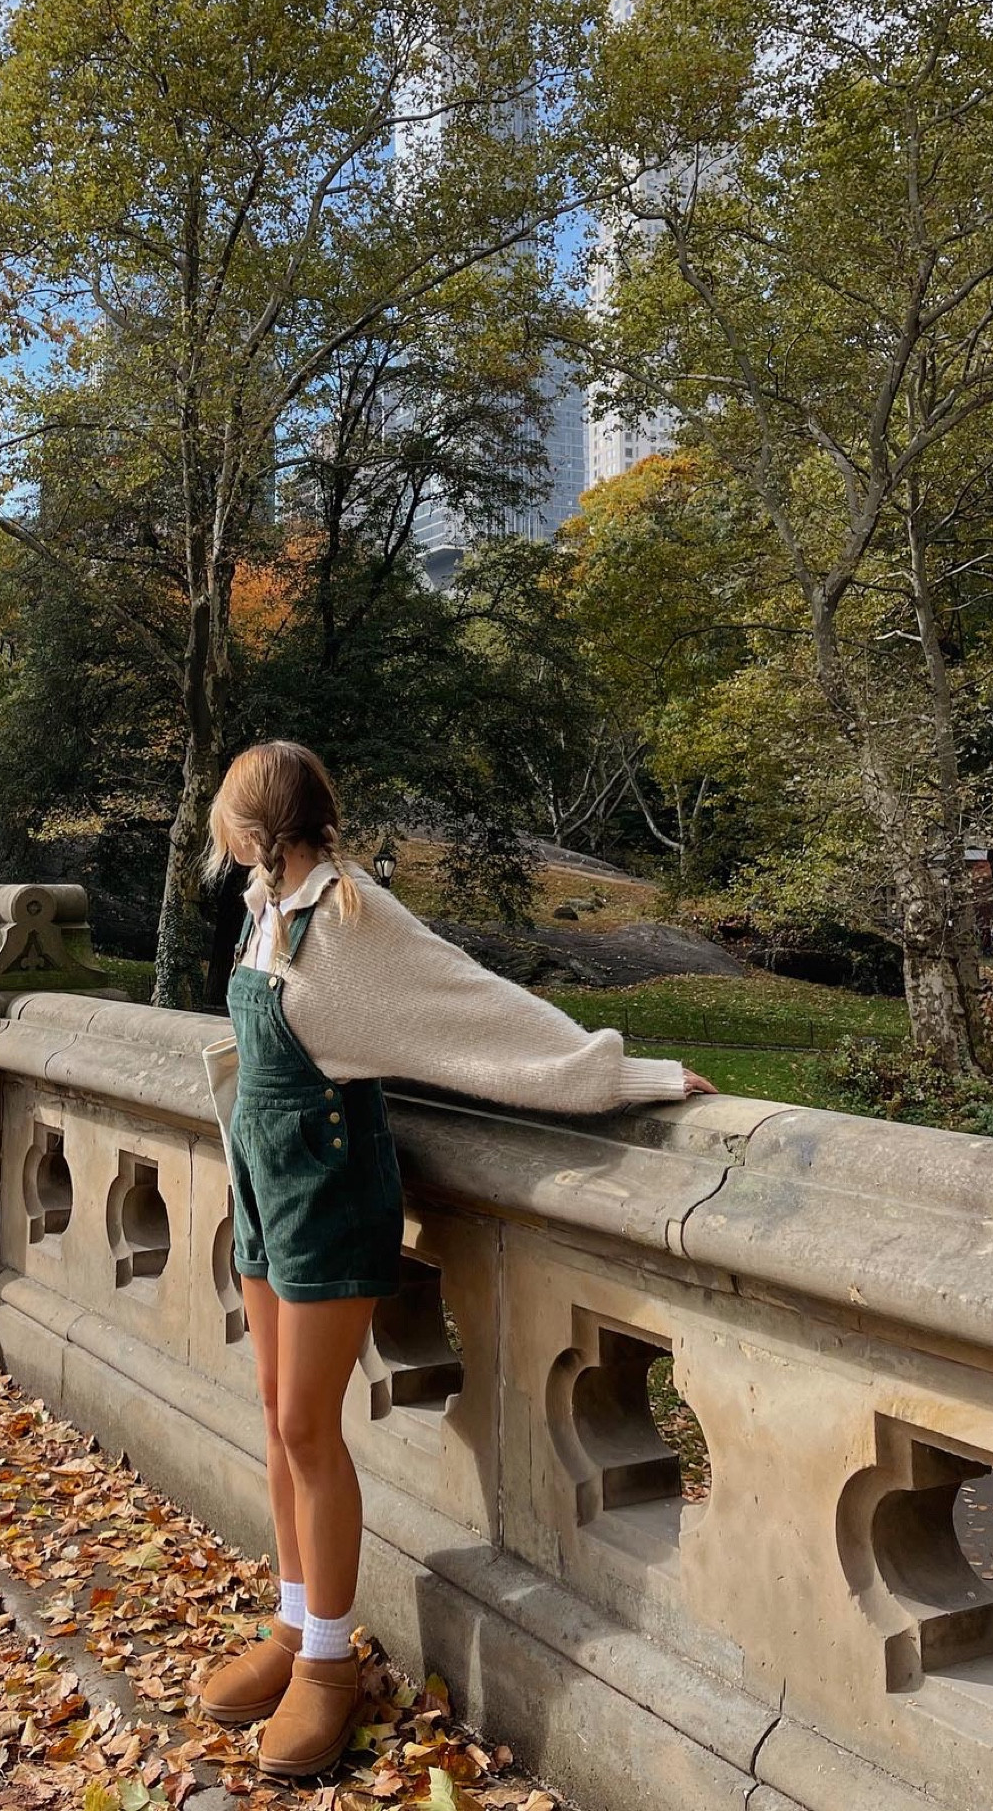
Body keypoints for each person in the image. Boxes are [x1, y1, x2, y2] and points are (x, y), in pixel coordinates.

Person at [195, 741, 716, 1776]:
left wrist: (627, 1073)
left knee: (307, 1424)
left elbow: (475, 1005)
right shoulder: (267, 903)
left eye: (225, 820)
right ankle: (294, 1624)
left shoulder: (350, 918)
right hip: (262, 1178)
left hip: (331, 1190)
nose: (220, 838)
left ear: (254, 824)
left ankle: (331, 1665)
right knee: (274, 1415)